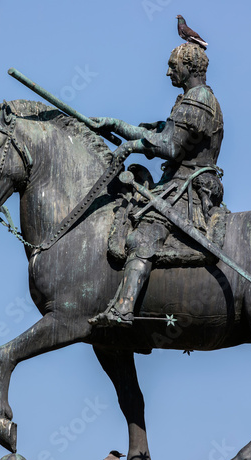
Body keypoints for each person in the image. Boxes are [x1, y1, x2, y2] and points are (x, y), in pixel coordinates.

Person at [89, 43, 224, 327]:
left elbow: (170, 147)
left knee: (145, 233)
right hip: (181, 182)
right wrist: (114, 124)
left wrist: (131, 146)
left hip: (187, 187)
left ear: (189, 66)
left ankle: (124, 308)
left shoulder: (197, 100)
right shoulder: (190, 99)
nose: (168, 72)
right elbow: (159, 132)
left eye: (173, 67)